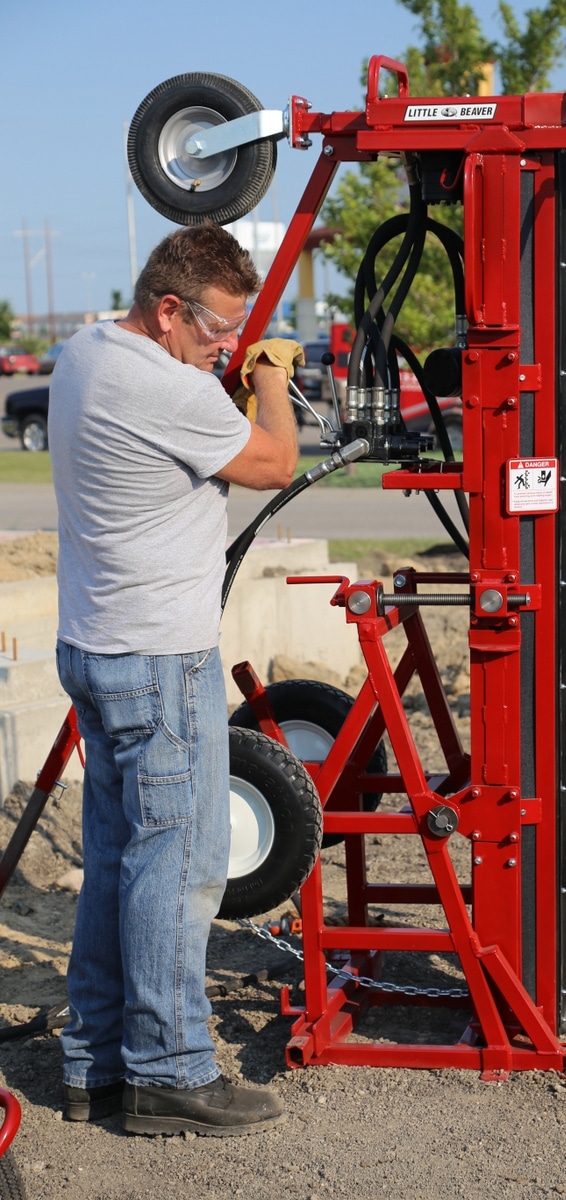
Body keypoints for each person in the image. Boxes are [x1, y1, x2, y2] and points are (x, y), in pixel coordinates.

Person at [48, 222, 300, 1137]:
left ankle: (96, 1062)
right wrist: (268, 377)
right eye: (218, 330)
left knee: (121, 863)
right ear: (167, 311)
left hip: (97, 647)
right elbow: (276, 461)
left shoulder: (88, 353)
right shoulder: (164, 387)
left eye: (237, 337)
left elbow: (181, 410)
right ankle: (169, 1071)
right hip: (158, 661)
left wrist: (216, 372)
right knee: (181, 867)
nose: (227, 347)